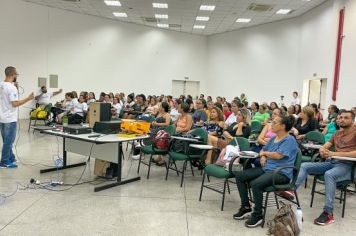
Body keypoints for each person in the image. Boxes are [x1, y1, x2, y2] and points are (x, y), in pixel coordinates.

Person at [293, 110, 356, 226]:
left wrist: (334, 154)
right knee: (305, 165)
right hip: (332, 162)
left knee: (329, 175)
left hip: (347, 166)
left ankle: (328, 213)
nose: (342, 119)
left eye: (346, 118)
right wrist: (322, 150)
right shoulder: (337, 133)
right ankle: (292, 190)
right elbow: (326, 145)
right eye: (340, 117)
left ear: (353, 120)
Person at [233, 115, 297, 228]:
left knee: (255, 184)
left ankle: (258, 215)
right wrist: (263, 156)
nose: (271, 124)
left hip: (281, 173)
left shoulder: (289, 140)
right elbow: (264, 149)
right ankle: (246, 206)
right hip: (267, 169)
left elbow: (278, 155)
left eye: (275, 122)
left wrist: (265, 154)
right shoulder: (274, 138)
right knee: (240, 176)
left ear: (282, 126)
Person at [0, 66, 35, 168]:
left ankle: (11, 157)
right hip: (9, 118)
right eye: (16, 74)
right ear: (13, 74)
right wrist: (29, 98)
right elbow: (15, 103)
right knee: (9, 141)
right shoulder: (11, 88)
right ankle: (5, 162)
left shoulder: (1, 85)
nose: (17, 76)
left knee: (6, 140)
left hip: (2, 117)